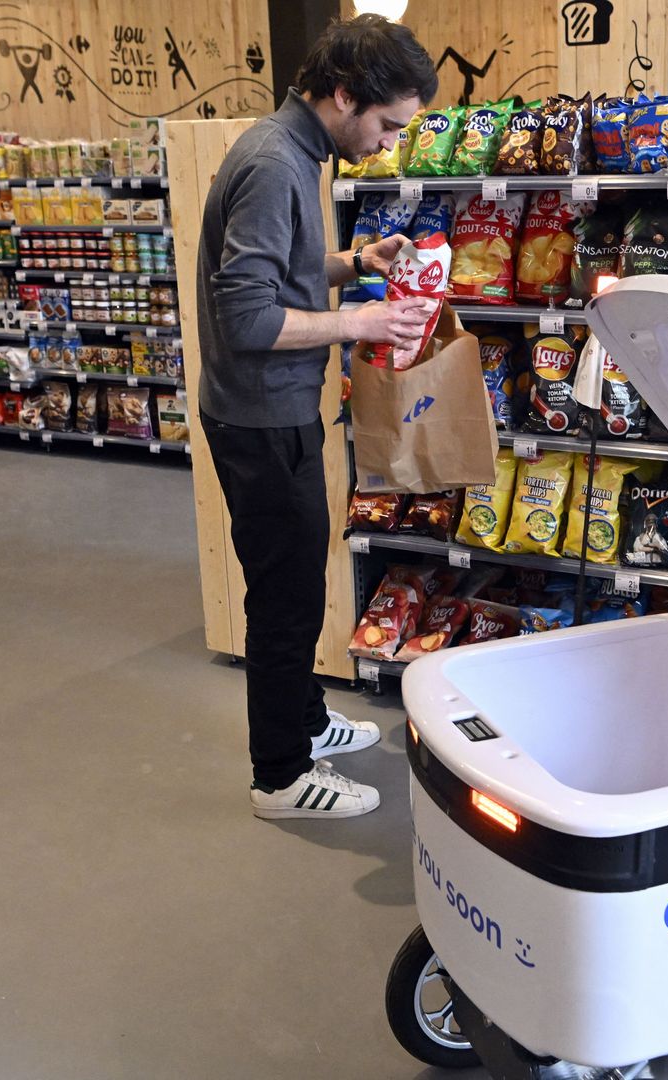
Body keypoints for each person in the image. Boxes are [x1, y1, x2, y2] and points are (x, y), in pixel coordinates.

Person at [197, 15, 438, 820]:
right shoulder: (273, 163)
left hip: (283, 409)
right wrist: (360, 322)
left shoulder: (298, 151)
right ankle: (280, 775)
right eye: (386, 124)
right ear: (343, 95)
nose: (388, 142)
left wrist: (351, 264)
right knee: (285, 595)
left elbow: (283, 270)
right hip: (261, 420)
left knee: (298, 576)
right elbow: (247, 319)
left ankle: (301, 720)